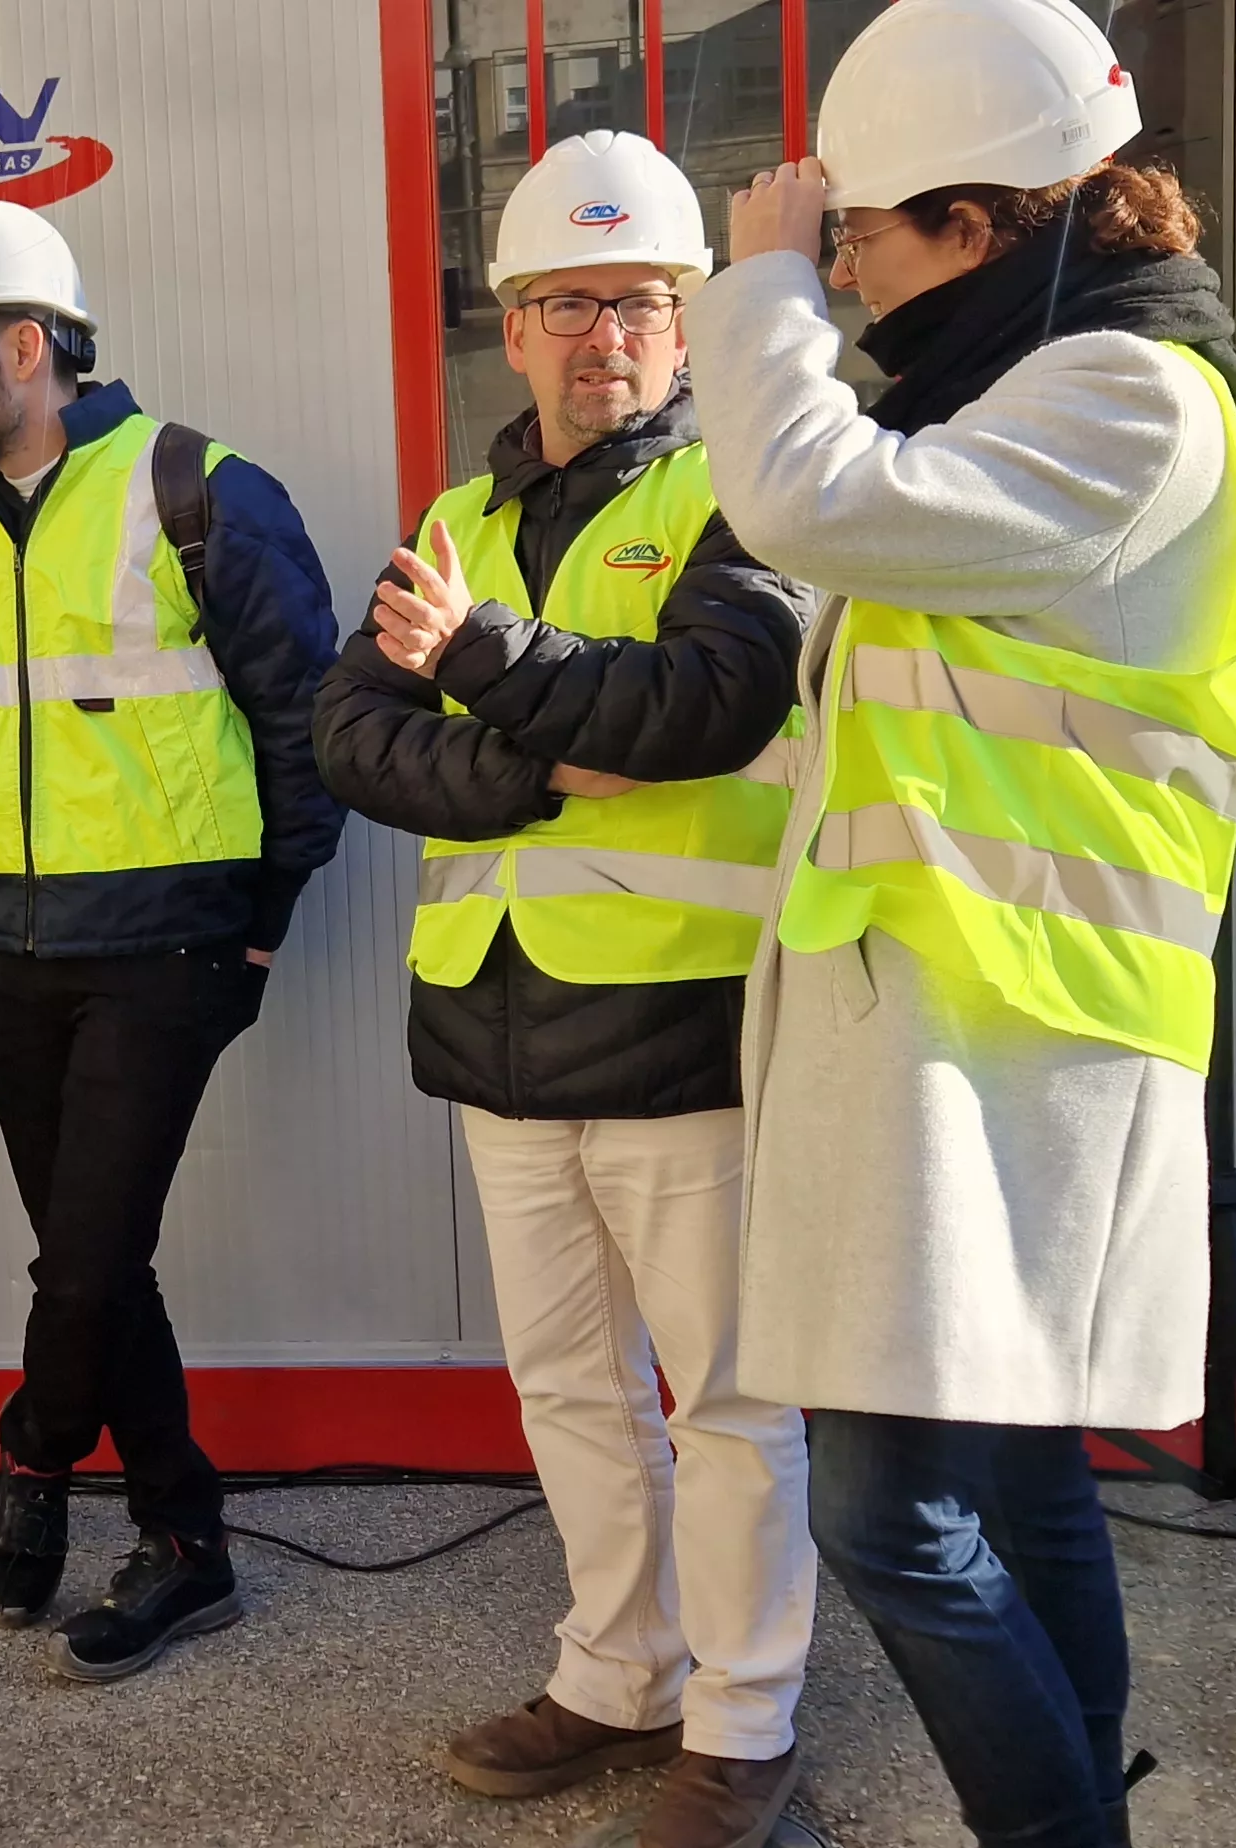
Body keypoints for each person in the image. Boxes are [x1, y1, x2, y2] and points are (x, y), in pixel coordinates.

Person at [694, 1, 1236, 1842]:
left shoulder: (1129, 400)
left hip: (1006, 1038)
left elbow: (804, 493)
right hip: (975, 1027)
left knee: (886, 1517)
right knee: (1022, 1479)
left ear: (982, 223)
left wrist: (757, 297)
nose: (847, 279)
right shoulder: (1050, 387)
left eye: (861, 236)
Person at [316, 129, 823, 1848]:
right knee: (569, 1391)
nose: (604, 334)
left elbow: (707, 708)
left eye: (640, 301)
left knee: (736, 1401)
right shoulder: (453, 518)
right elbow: (350, 740)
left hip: (684, 1029)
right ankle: (620, 1676)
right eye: (566, 303)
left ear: (686, 327)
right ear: (512, 326)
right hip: (496, 1028)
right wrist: (533, 768)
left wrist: (475, 665)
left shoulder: (744, 487)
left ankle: (745, 1720)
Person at [0, 200, 344, 1681]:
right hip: (9, 950)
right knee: (97, 1260)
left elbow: (309, 727)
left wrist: (261, 931)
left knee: (81, 1264)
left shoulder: (196, 487)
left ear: (25, 345)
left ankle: (35, 1453)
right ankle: (187, 1543)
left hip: (170, 944)